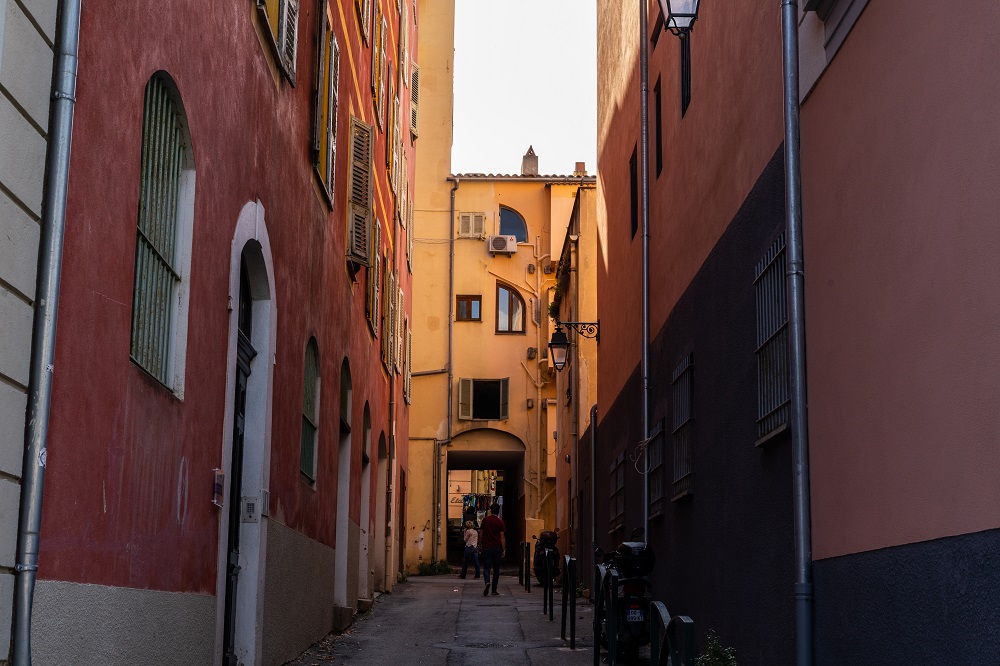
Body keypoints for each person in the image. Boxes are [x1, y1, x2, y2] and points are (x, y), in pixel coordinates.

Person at [479, 503, 505, 596]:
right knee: (496, 569)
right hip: (497, 547)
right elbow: (502, 537)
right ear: (498, 511)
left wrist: (479, 545)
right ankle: (494, 590)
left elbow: (481, 533)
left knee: (486, 568)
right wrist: (504, 549)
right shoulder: (500, 522)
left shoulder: (485, 520)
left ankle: (487, 582)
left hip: (487, 547)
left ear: (491, 510)